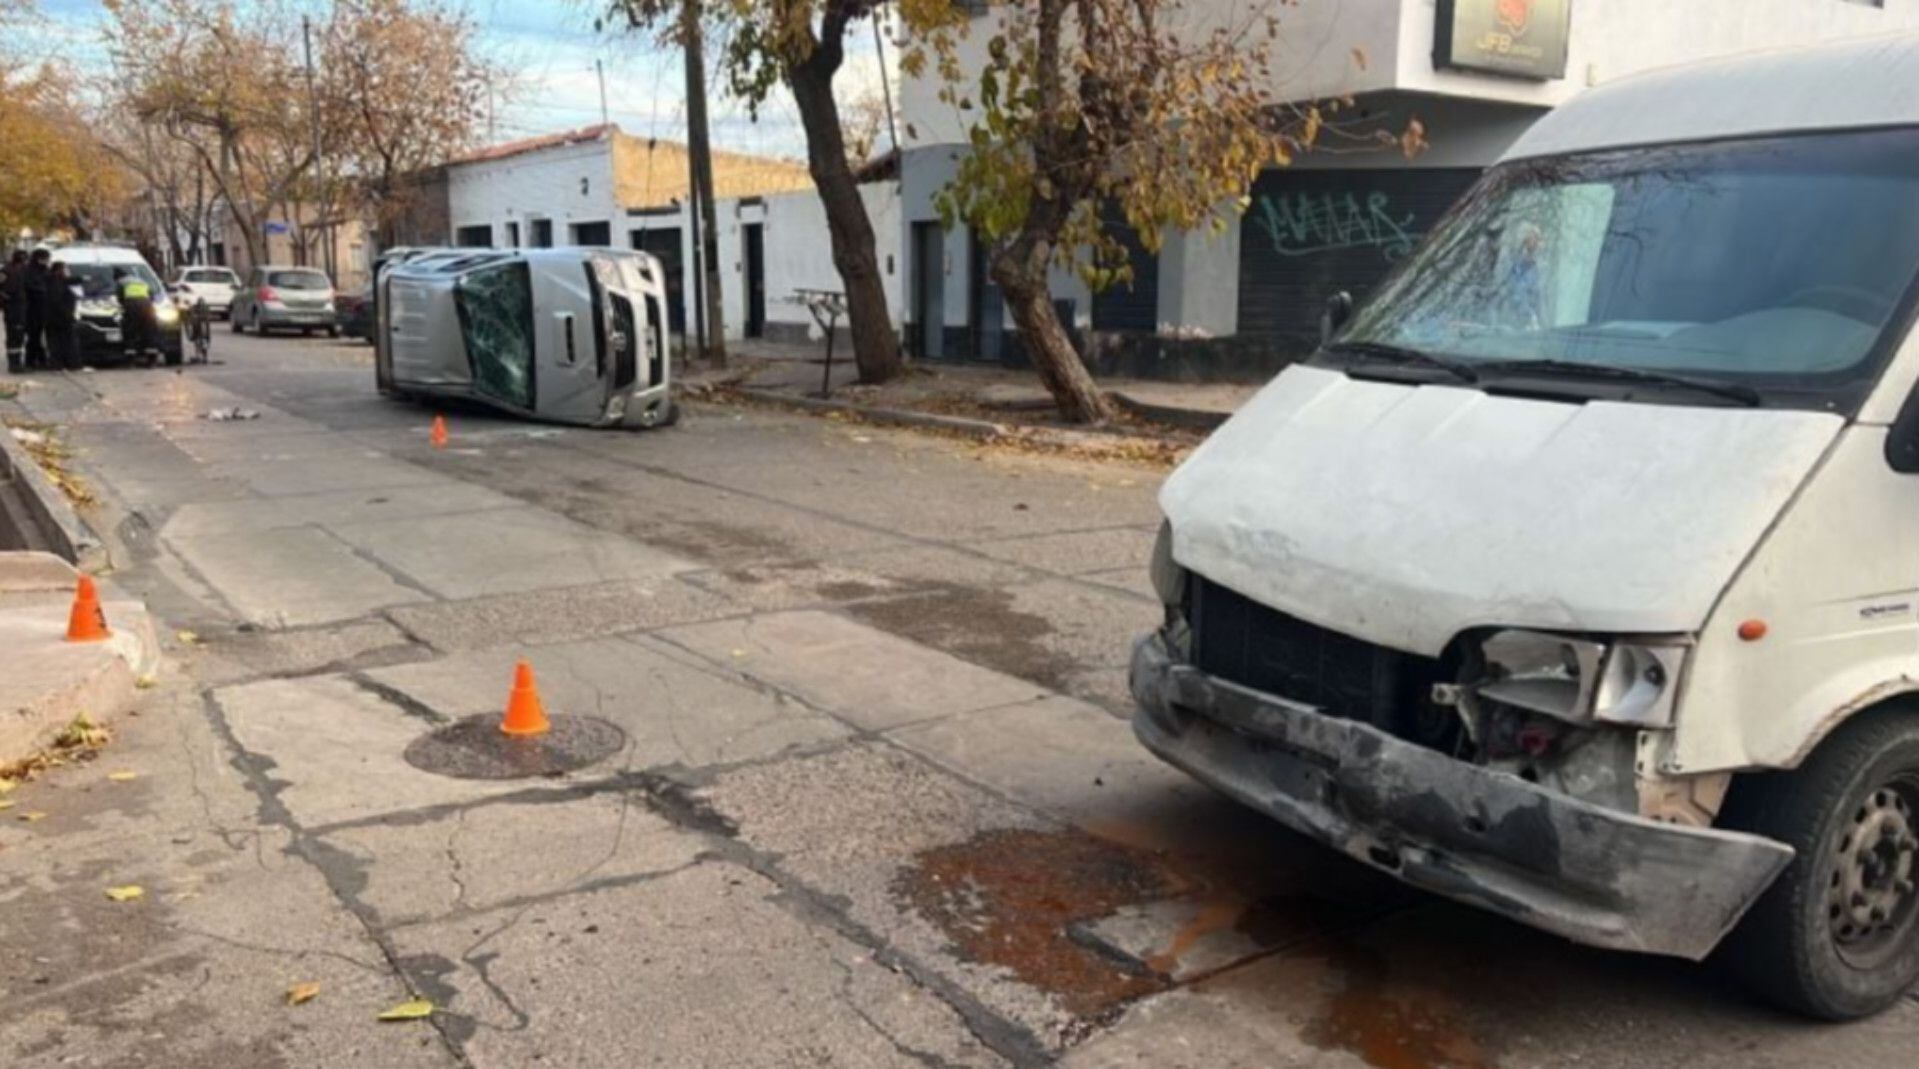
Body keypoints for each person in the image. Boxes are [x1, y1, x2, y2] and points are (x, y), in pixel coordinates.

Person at [115, 266, 156, 362]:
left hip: (132, 305)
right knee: (148, 330)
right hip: (147, 305)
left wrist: (123, 306)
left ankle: (130, 357)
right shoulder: (140, 280)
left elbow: (120, 297)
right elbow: (151, 294)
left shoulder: (121, 282)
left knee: (130, 330)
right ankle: (151, 358)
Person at [45, 262, 79, 371]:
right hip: (59, 318)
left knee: (64, 341)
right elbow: (56, 301)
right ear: (58, 270)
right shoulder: (55, 283)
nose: (67, 272)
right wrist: (68, 314)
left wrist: (84, 278)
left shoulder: (59, 281)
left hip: (60, 317)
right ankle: (59, 364)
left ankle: (67, 363)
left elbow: (72, 280)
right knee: (59, 342)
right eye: (65, 269)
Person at [22, 248, 51, 370]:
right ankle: (30, 361)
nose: (47, 261)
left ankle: (41, 360)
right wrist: (43, 291)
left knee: (40, 336)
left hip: (44, 308)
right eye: (45, 258)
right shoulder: (29, 271)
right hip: (31, 309)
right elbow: (29, 286)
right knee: (33, 336)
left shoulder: (44, 270)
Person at [2, 250, 26, 373]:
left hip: (20, 307)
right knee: (13, 336)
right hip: (12, 308)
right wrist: (6, 298)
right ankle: (14, 363)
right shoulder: (6, 270)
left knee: (19, 336)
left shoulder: (22, 270)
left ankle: (17, 362)